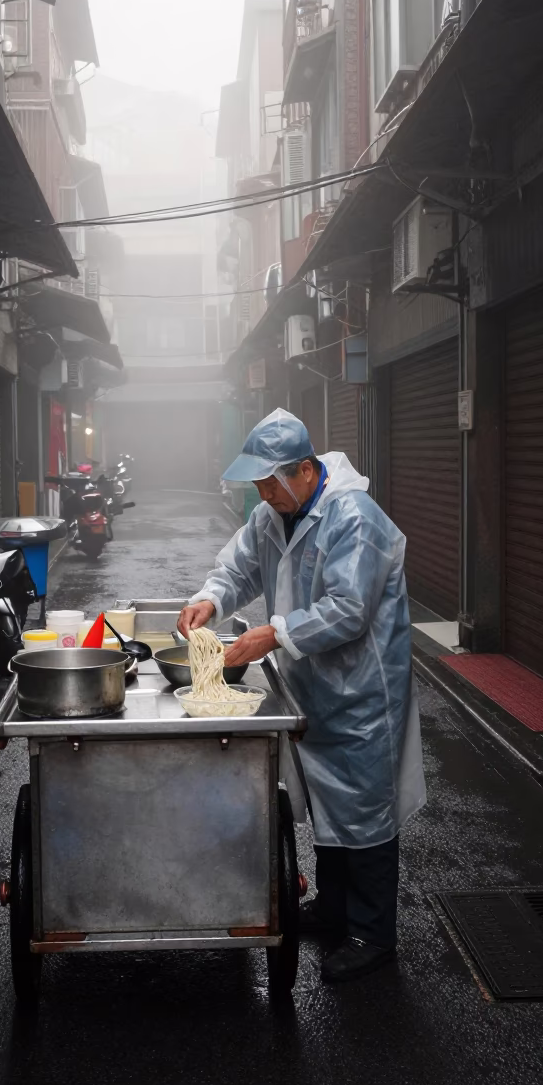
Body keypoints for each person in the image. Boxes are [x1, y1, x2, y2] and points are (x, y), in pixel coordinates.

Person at [178, 408, 425, 983]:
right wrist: (210, 600)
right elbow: (236, 569)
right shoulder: (273, 516)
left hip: (363, 690)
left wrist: (272, 635)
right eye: (259, 485)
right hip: (314, 684)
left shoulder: (354, 517)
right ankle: (335, 910)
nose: (264, 495)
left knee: (365, 810)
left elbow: (349, 609)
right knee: (328, 803)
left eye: (271, 482)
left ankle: (372, 933)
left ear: (306, 471)